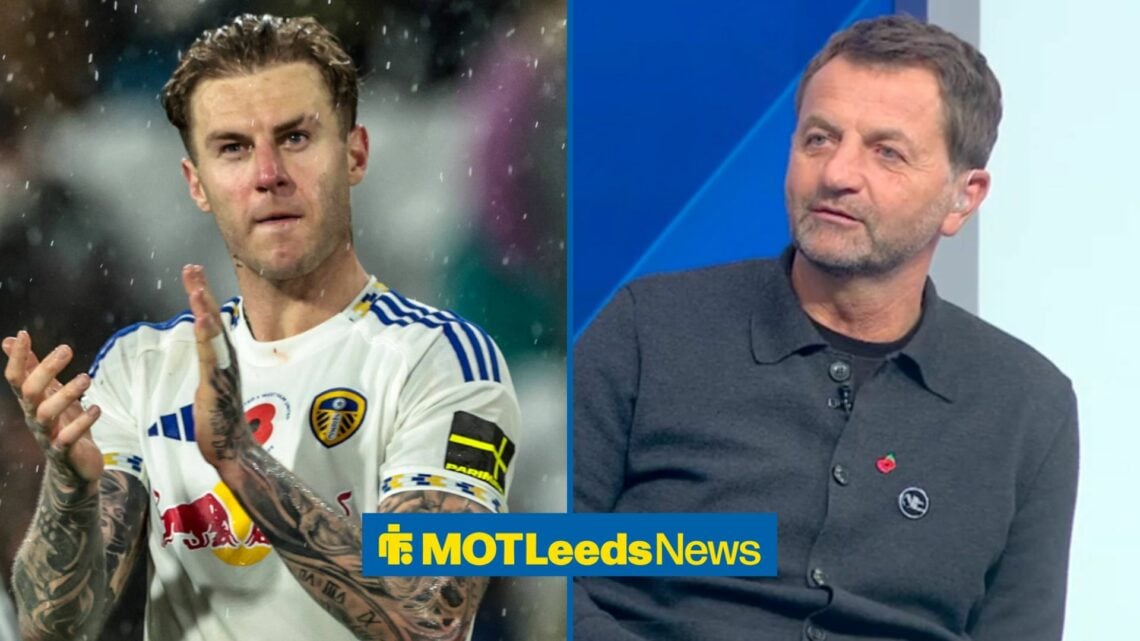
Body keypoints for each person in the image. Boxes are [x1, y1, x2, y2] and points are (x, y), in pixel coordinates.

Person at [3, 14, 520, 641]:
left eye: (296, 138)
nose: (267, 173)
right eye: (232, 149)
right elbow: (49, 627)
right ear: (197, 183)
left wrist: (241, 462)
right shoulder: (143, 367)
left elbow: (429, 615)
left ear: (355, 153)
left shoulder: (437, 361)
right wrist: (70, 488)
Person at [573, 15, 1077, 641]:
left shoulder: (1029, 405)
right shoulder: (648, 329)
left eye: (886, 152)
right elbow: (545, 575)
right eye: (818, 139)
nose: (838, 173)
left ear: (964, 197)